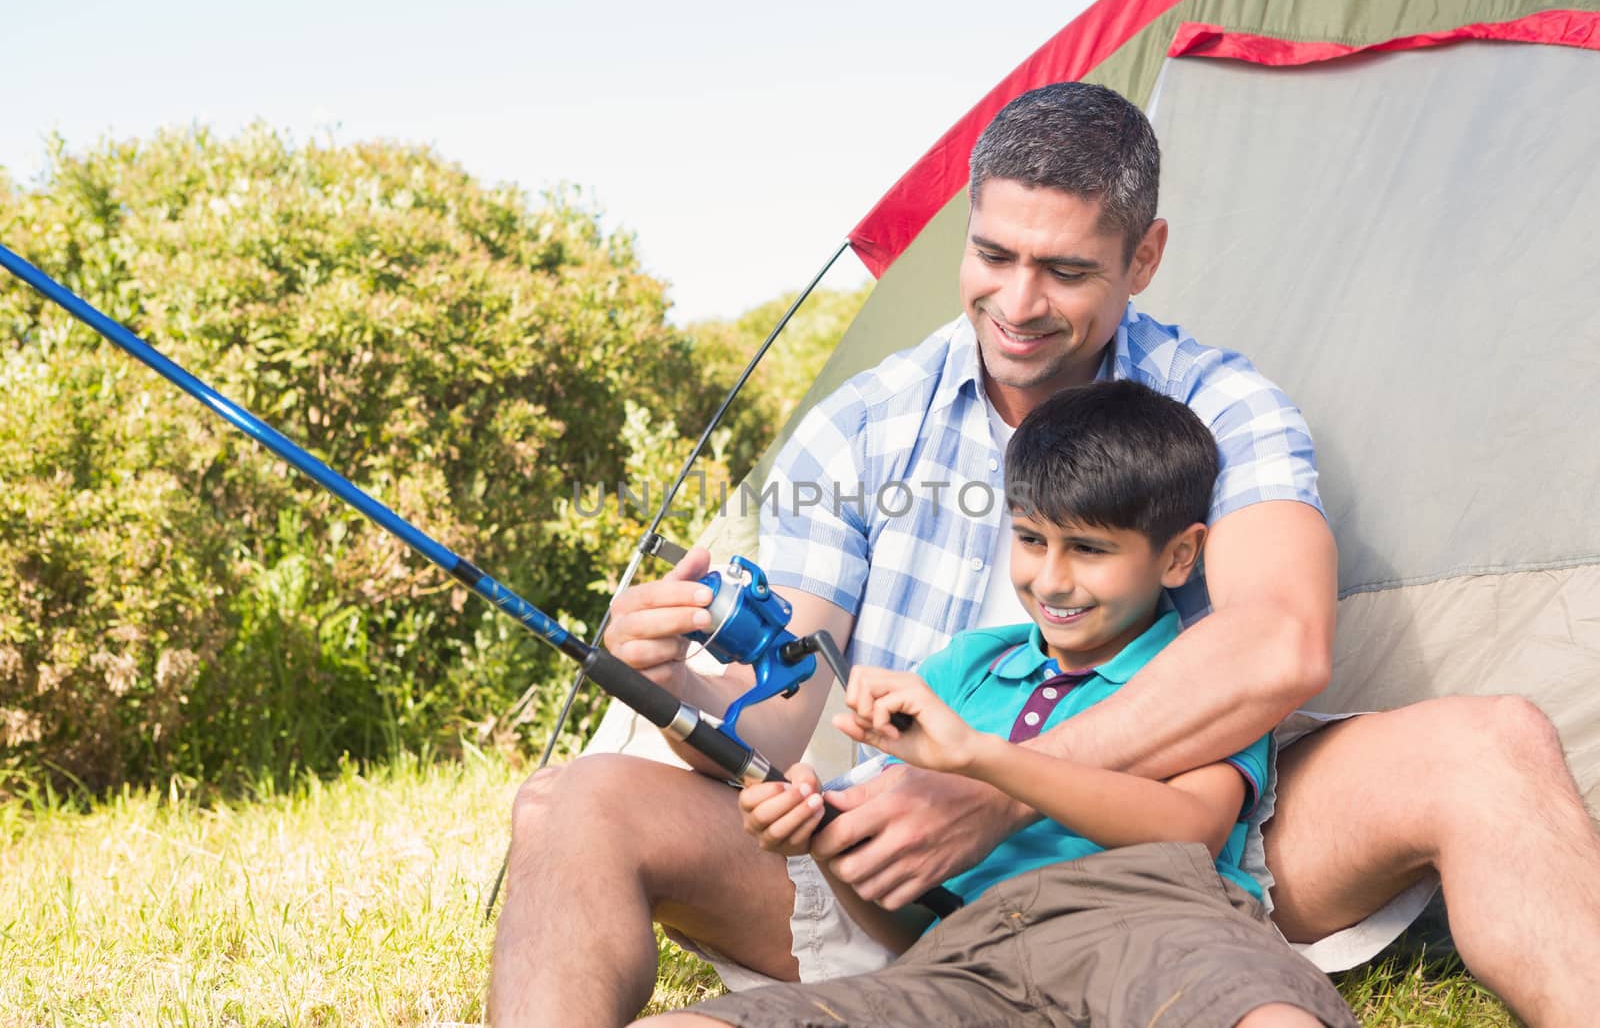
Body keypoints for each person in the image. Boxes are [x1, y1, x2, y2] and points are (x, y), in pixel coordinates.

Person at [488, 82, 1600, 1028]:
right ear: (966, 227)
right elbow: (778, 707)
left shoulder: (1223, 404)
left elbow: (1281, 640)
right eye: (992, 255)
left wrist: (996, 787)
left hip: (1191, 864)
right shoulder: (862, 426)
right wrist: (679, 675)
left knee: (1488, 741)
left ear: (1144, 255)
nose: (1016, 306)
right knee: (568, 802)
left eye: (1065, 270)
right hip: (904, 884)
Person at [636, 379, 1357, 1028]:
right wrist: (825, 839)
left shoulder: (1197, 675)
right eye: (1031, 538)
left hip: (1159, 926)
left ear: (1178, 556)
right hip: (963, 960)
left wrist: (990, 761)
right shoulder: (964, 668)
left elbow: (1189, 830)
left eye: (1089, 549)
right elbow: (905, 920)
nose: (1051, 579)